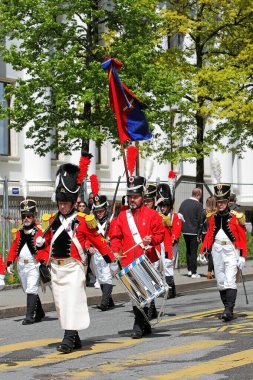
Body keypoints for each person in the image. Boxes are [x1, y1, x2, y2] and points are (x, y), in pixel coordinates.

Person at [39, 154, 117, 354]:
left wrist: (110, 257)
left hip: (74, 267)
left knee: (72, 302)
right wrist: (41, 261)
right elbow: (44, 245)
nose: (62, 205)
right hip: (57, 268)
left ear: (74, 202)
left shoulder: (83, 220)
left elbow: (97, 240)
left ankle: (68, 338)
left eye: (66, 201)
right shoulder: (51, 221)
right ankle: (75, 338)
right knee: (61, 305)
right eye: (60, 201)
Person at [110, 175, 165, 339]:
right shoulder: (122, 216)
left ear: (142, 196)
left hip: (146, 260)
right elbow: (115, 237)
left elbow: (160, 234)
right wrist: (115, 252)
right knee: (135, 295)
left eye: (136, 196)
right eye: (130, 197)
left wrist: (152, 239)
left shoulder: (152, 215)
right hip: (128, 261)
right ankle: (144, 323)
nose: (132, 200)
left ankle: (138, 325)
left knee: (142, 294)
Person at [200, 183, 247, 321]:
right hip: (216, 250)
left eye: (223, 202)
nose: (220, 204)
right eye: (218, 202)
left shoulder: (236, 216)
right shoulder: (213, 217)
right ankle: (226, 307)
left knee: (230, 279)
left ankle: (228, 310)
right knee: (220, 280)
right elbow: (209, 234)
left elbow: (242, 237)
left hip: (231, 250)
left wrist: (242, 256)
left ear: (227, 202)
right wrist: (203, 250)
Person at [6, 199, 49, 324]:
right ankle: (40, 312)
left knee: (31, 288)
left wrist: (43, 258)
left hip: (33, 265)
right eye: (24, 216)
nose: (26, 218)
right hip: (21, 266)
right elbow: (14, 248)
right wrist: (9, 262)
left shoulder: (39, 232)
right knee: (28, 289)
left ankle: (30, 316)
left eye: (29, 216)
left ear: (34, 216)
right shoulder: (19, 232)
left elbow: (47, 249)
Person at [87, 190, 116, 311]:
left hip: (108, 252)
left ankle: (104, 303)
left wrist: (111, 243)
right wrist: (89, 247)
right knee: (100, 276)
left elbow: (116, 237)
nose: (99, 213)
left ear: (106, 210)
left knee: (107, 276)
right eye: (97, 211)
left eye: (101, 211)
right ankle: (110, 302)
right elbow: (88, 237)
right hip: (97, 254)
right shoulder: (92, 224)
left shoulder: (112, 221)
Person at [156, 177, 182, 298]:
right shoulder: (157, 216)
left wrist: (174, 238)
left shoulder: (175, 217)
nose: (162, 208)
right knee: (160, 267)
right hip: (160, 244)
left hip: (170, 245)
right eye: (161, 206)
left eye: (165, 206)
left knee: (168, 266)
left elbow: (177, 230)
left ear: (169, 206)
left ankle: (170, 291)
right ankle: (168, 288)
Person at [178, 187, 203, 278]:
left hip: (185, 231)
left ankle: (189, 270)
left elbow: (179, 215)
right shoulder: (198, 205)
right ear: (198, 195)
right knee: (193, 252)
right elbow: (200, 221)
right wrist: (199, 234)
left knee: (188, 250)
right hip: (194, 231)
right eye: (200, 195)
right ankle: (194, 272)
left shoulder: (184, 202)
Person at [198, 196, 217, 279]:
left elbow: (201, 224)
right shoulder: (217, 212)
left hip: (206, 234)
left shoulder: (205, 212)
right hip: (215, 234)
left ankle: (211, 271)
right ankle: (214, 271)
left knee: (209, 254)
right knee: (215, 254)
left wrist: (198, 235)